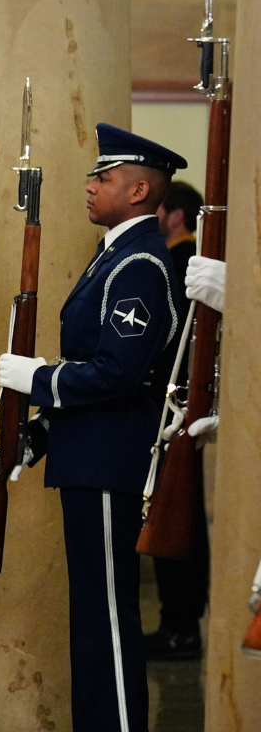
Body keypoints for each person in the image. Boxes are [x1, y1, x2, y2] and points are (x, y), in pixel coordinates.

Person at [0, 123, 183, 732]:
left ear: (137, 191)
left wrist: (40, 380)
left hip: (111, 458)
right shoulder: (117, 256)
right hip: (89, 453)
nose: (90, 186)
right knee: (92, 615)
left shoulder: (141, 266)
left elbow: (118, 371)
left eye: (103, 177)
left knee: (107, 615)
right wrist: (43, 431)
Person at [145, 180, 208, 660]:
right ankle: (179, 622)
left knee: (173, 517)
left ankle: (180, 624)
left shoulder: (180, 262)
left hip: (173, 406)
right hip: (179, 404)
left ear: (176, 215)